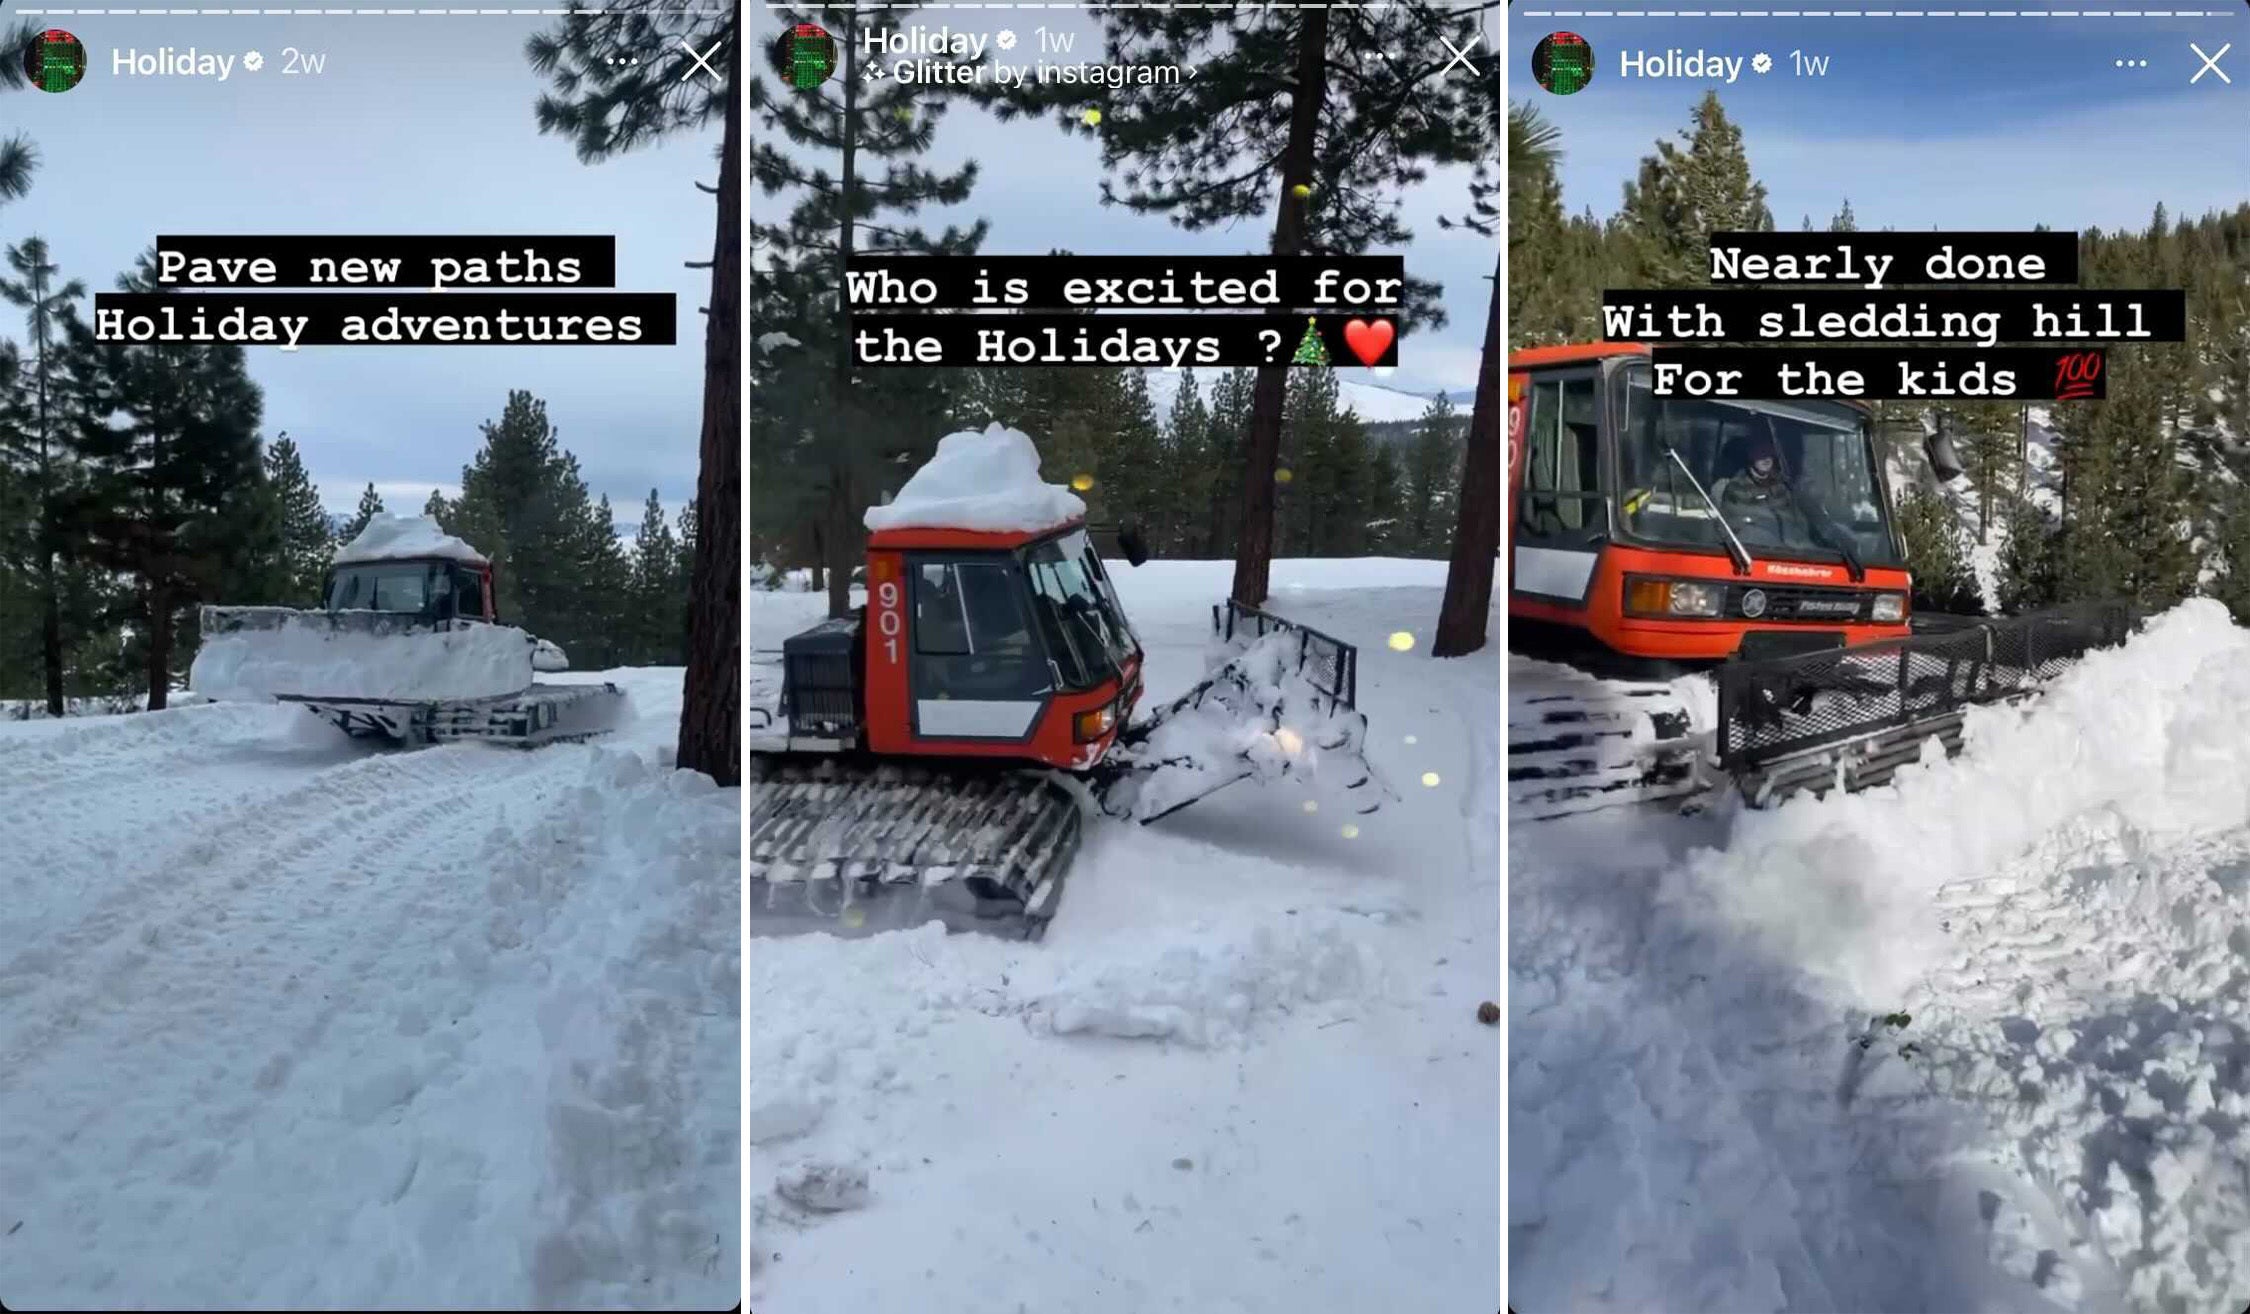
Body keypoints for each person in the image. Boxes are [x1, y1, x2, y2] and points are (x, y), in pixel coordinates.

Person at [1711, 429, 1813, 547]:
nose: (1766, 459)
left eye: (1769, 455)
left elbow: (1795, 519)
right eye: (1760, 455)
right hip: (1757, 549)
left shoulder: (1782, 485)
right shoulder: (1736, 487)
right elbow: (1741, 522)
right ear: (1751, 458)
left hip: (1791, 550)